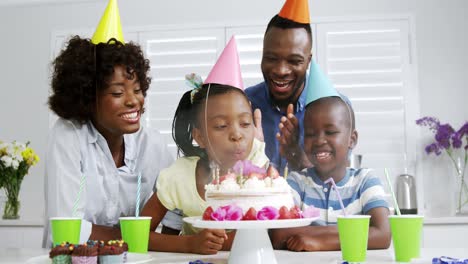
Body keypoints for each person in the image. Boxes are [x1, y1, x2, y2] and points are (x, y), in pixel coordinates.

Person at [42, 0, 176, 247]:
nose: (133, 101)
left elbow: (178, 199)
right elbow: (67, 229)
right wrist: (137, 239)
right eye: (117, 93)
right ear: (87, 97)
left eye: (137, 89)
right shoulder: (68, 136)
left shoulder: (152, 144)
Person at [141, 37, 269, 254]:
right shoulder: (179, 176)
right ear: (199, 137)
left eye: (245, 123)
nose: (237, 135)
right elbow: (138, 233)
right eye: (221, 125)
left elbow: (265, 230)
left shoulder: (258, 166)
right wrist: (189, 243)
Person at [269, 62, 391, 251]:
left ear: (352, 139)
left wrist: (320, 241)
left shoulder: (365, 181)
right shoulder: (296, 183)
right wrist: (357, 233)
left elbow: (382, 235)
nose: (319, 140)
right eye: (310, 133)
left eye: (331, 132)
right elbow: (279, 235)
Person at [245, 0, 314, 172]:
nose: (281, 70)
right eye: (271, 58)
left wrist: (295, 153)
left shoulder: (332, 109)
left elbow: (336, 186)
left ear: (308, 61)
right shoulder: (245, 104)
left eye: (294, 61)